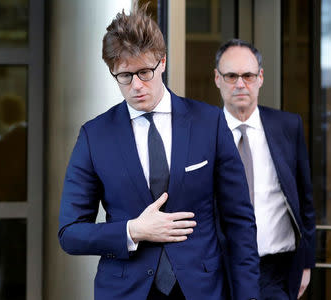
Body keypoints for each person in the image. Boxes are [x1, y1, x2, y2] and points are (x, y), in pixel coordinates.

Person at [58, 5, 259, 300]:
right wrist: (132, 231)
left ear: (162, 62)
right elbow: (70, 233)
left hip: (201, 290)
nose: (136, 86)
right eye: (124, 76)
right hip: (126, 291)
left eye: (144, 72)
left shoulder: (209, 123)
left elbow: (240, 222)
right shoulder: (94, 135)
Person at [214, 38, 316, 300]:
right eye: (231, 76)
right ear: (217, 79)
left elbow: (305, 200)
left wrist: (306, 262)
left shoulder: (288, 126)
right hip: (221, 269)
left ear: (260, 77)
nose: (240, 84)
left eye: (247, 75)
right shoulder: (203, 132)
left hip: (276, 270)